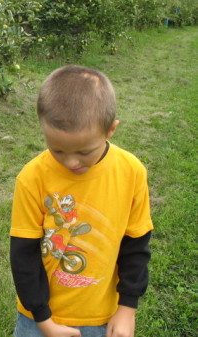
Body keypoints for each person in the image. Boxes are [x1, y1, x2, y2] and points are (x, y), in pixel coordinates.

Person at [10, 65, 153, 337]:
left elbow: (136, 244)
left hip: (100, 317)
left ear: (111, 129)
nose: (71, 161)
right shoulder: (32, 178)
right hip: (38, 319)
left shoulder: (131, 172)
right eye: (57, 150)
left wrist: (127, 307)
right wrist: (43, 319)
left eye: (84, 151)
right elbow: (23, 254)